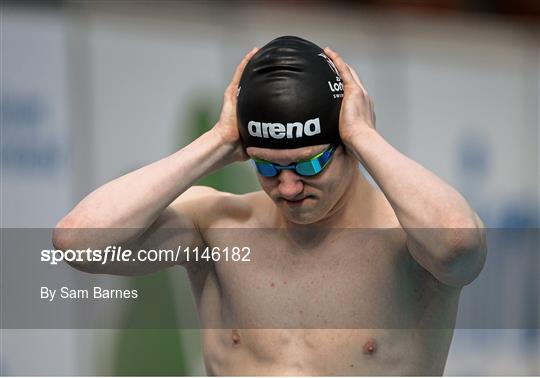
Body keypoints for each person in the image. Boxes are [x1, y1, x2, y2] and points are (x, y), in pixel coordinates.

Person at [53, 36, 487, 375]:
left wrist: (366, 136)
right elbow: (77, 243)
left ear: (349, 145)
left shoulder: (408, 239)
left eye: (310, 163)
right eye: (266, 166)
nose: (289, 187)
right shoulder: (217, 226)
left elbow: (460, 246)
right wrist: (217, 142)